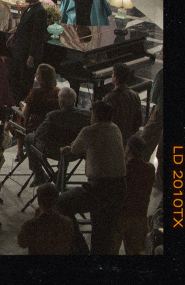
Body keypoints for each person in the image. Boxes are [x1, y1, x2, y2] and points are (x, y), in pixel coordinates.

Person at [57, 100, 127, 255]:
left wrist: (69, 148)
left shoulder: (88, 131)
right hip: (120, 187)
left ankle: (80, 248)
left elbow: (75, 149)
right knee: (103, 233)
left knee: (60, 203)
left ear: (94, 114)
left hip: (99, 187)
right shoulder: (116, 129)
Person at [26, 87, 92, 188]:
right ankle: (59, 176)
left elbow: (39, 134)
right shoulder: (87, 115)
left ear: (61, 103)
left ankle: (39, 175)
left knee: (29, 138)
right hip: (75, 152)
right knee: (65, 142)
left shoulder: (53, 116)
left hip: (54, 151)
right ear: (75, 100)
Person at [6, 0, 48, 105]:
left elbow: (37, 35)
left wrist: (31, 55)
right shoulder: (29, 8)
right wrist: (14, 35)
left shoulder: (40, 11)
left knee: (24, 81)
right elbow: (23, 26)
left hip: (27, 53)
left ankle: (22, 103)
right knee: (14, 77)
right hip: (20, 50)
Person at [9, 63, 61, 159]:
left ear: (41, 78)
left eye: (37, 73)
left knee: (17, 115)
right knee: (20, 118)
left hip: (34, 127)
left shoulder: (35, 93)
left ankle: (19, 151)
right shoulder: (58, 92)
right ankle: (19, 151)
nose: (35, 75)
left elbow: (25, 114)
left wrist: (22, 107)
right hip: (50, 127)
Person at [16, 182, 75, 255]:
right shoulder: (67, 222)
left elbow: (22, 244)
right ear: (56, 201)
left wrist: (35, 218)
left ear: (38, 201)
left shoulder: (30, 225)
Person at [103, 63, 143, 147]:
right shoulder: (135, 95)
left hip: (112, 137)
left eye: (112, 73)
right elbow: (138, 121)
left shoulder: (110, 98)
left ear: (115, 78)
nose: (112, 75)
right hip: (128, 136)